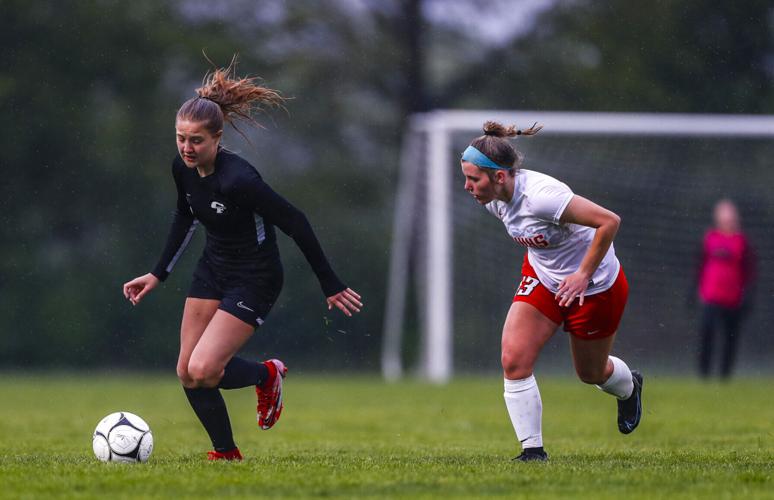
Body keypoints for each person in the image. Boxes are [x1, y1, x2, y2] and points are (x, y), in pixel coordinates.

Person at [122, 61, 362, 461]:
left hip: (255, 276)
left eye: (196, 140)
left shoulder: (239, 180)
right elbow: (185, 215)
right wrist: (157, 273)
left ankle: (267, 374)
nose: (186, 148)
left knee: (205, 369)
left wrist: (330, 282)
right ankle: (226, 453)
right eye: (181, 138)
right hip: (212, 268)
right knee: (186, 371)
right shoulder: (183, 169)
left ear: (217, 138)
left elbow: (296, 221)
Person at [460, 121, 642, 462]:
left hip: (595, 286)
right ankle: (532, 452)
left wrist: (582, 274)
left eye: (474, 179)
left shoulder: (542, 197)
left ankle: (629, 387)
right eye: (466, 178)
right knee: (514, 359)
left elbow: (609, 221)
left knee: (591, 373)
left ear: (499, 176)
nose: (467, 186)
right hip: (543, 279)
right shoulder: (493, 199)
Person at [694, 199, 755, 379]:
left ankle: (725, 375)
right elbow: (699, 265)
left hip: (733, 298)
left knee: (730, 337)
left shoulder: (742, 241)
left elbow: (749, 270)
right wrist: (695, 290)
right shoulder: (709, 238)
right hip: (711, 296)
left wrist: (747, 295)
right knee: (707, 333)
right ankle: (704, 373)